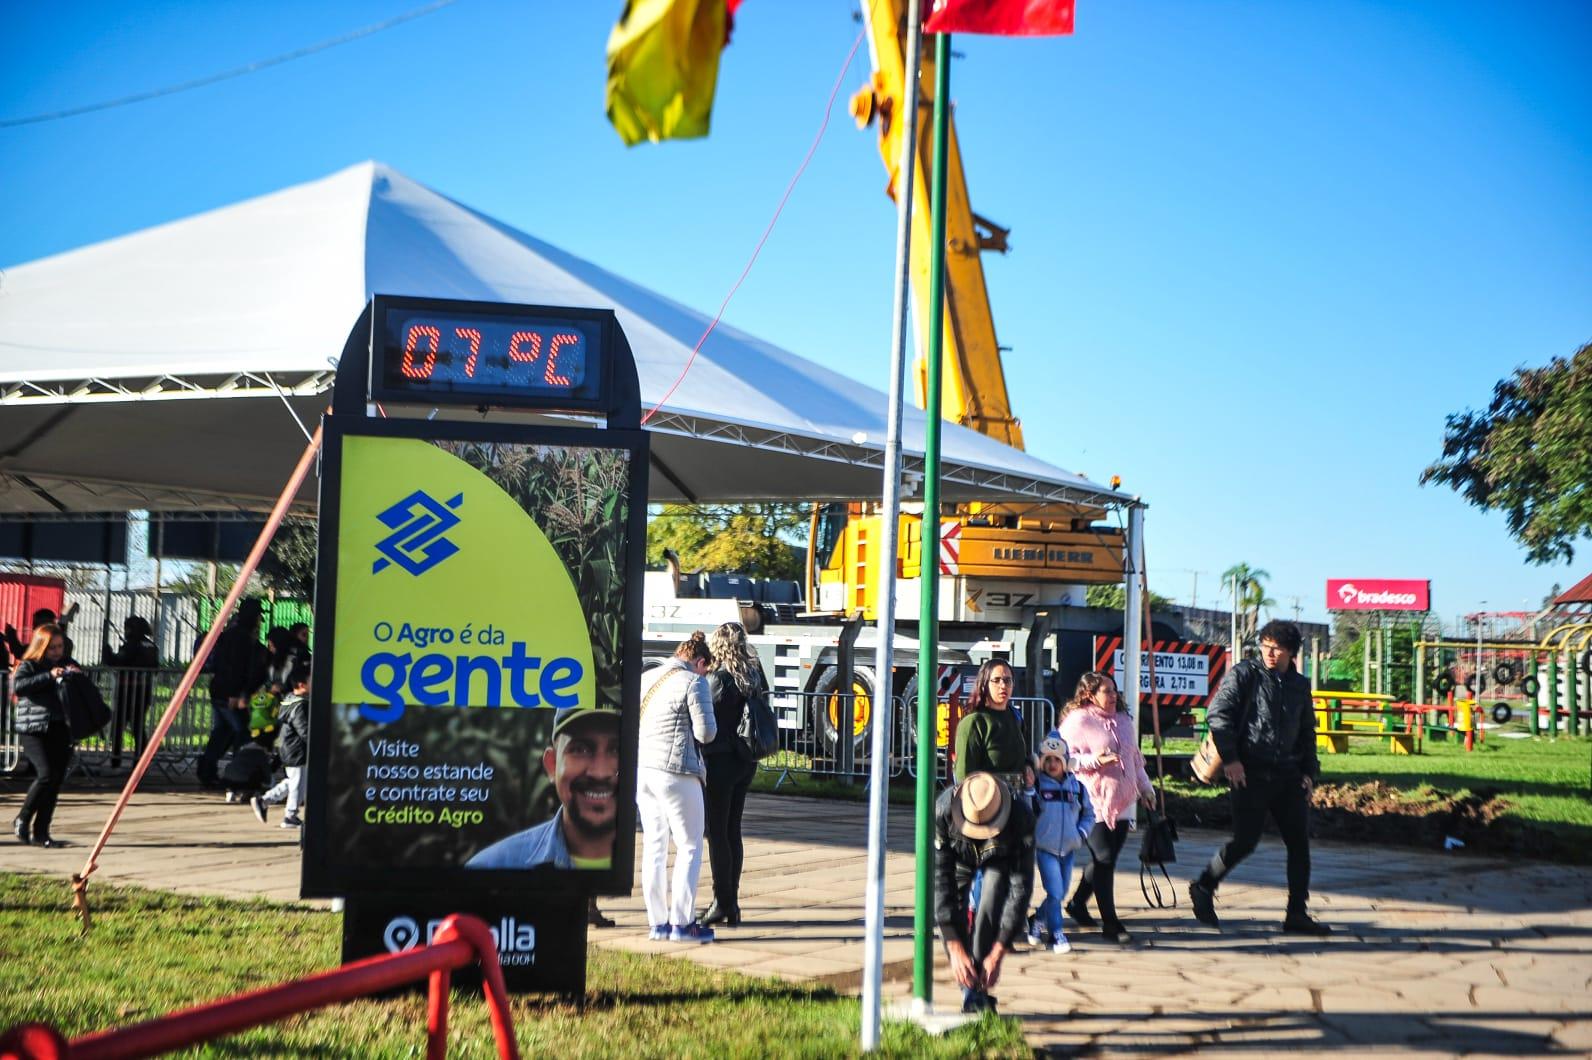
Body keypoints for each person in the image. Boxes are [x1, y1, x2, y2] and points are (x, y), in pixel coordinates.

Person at [1189, 619, 1330, 936]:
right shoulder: (1245, 674)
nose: (1269, 652)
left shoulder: (1299, 685)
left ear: (1291, 652)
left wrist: (1310, 773)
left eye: (1276, 647)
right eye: (1265, 645)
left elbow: (1307, 731)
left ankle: (1297, 914)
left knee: (1299, 844)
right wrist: (1232, 760)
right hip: (1249, 774)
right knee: (1245, 841)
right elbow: (1219, 715)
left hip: (1288, 776)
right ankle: (1204, 885)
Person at [1059, 671, 1155, 943]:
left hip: (1123, 800)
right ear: (1090, 695)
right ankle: (1111, 924)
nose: (1113, 696)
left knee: (1105, 859)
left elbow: (1135, 759)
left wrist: (1146, 788)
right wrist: (1095, 761)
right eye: (1107, 691)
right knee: (1105, 858)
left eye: (1114, 691)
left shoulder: (1125, 721)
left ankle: (1077, 904)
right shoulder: (1078, 721)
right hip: (1093, 801)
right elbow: (1061, 758)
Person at [467, 706, 622, 869]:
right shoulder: (491, 866)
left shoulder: (647, 865)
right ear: (552, 765)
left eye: (617, 750)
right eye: (580, 749)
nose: (599, 773)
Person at [635, 633, 716, 944]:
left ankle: (658, 924)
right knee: (690, 845)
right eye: (705, 669)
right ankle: (682, 924)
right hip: (678, 772)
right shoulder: (694, 682)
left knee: (655, 846)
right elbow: (706, 733)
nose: (704, 674)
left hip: (644, 771)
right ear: (699, 662)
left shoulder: (649, 676)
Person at [934, 771, 1036, 1014]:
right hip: (959, 855)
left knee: (992, 895)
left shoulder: (1022, 818)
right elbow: (941, 883)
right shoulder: (942, 812)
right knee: (953, 915)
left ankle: (979, 985)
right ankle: (969, 988)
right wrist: (954, 945)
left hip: (999, 856)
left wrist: (999, 950)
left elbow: (1020, 889)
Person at [698, 621, 766, 928]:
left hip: (721, 761)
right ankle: (732, 902)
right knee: (733, 830)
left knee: (717, 833)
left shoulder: (718, 678)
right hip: (745, 760)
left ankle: (722, 901)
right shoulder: (753, 675)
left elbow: (707, 720)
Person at [10, 624, 78, 847]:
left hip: (60, 727)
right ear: (41, 646)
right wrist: (49, 676)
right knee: (46, 774)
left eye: (60, 647)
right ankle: (23, 818)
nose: (57, 652)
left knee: (56, 780)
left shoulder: (66, 664)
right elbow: (19, 687)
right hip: (34, 728)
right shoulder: (29, 665)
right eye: (52, 648)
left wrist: (75, 677)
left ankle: (42, 833)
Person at [1026, 734, 1093, 954]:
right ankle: (1056, 934)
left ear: (1065, 762)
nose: (1052, 764)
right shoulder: (1038, 787)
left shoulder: (1078, 787)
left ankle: (1037, 919)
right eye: (1048, 760)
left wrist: (1081, 833)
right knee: (1054, 891)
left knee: (1060, 893)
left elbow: (1088, 814)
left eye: (1056, 760)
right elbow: (1027, 810)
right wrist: (1028, 790)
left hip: (1068, 849)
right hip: (1046, 849)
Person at [197, 599, 266, 788]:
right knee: (241, 732)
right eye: (259, 616)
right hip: (231, 694)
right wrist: (239, 694)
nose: (260, 621)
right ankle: (238, 775)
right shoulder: (242, 638)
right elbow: (237, 668)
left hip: (220, 690)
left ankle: (207, 771)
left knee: (222, 731)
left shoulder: (230, 634)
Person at [252, 662, 310, 829]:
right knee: (298, 784)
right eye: (311, 680)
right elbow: (304, 729)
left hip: (288, 748)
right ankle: (290, 816)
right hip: (297, 749)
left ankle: (264, 800)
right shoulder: (300, 706)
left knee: (294, 781)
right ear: (301, 685)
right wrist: (314, 741)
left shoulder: (288, 701)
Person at [953, 659, 1028, 784]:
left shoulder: (1016, 717)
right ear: (984, 685)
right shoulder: (973, 722)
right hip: (985, 797)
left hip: (1016, 797)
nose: (1003, 685)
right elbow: (964, 775)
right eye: (996, 680)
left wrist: (1029, 766)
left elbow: (1025, 756)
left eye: (1007, 680)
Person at [103, 615, 159, 767]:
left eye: (127, 627)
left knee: (118, 726)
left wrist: (107, 653)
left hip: (127, 691)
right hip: (143, 691)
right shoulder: (151, 646)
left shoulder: (131, 645)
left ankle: (116, 760)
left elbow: (118, 661)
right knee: (138, 726)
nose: (125, 630)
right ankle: (140, 761)